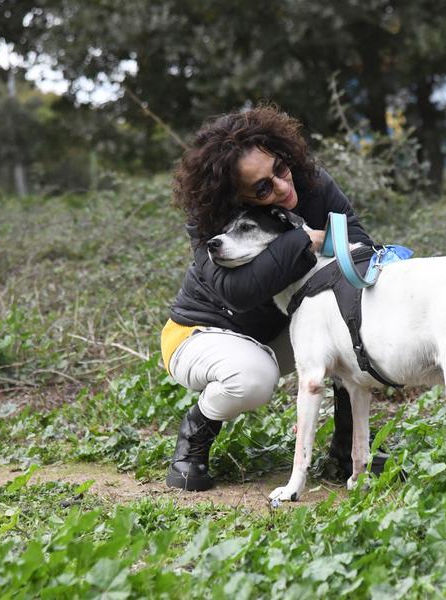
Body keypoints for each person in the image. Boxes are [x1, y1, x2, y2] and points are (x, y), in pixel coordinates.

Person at [161, 105, 381, 491]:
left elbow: (360, 247)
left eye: (280, 169)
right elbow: (238, 292)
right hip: (202, 334)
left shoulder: (312, 186)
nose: (282, 187)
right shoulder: (211, 221)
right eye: (262, 188)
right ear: (238, 198)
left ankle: (345, 451)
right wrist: (303, 239)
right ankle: (194, 436)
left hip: (275, 332)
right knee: (253, 378)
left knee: (350, 331)